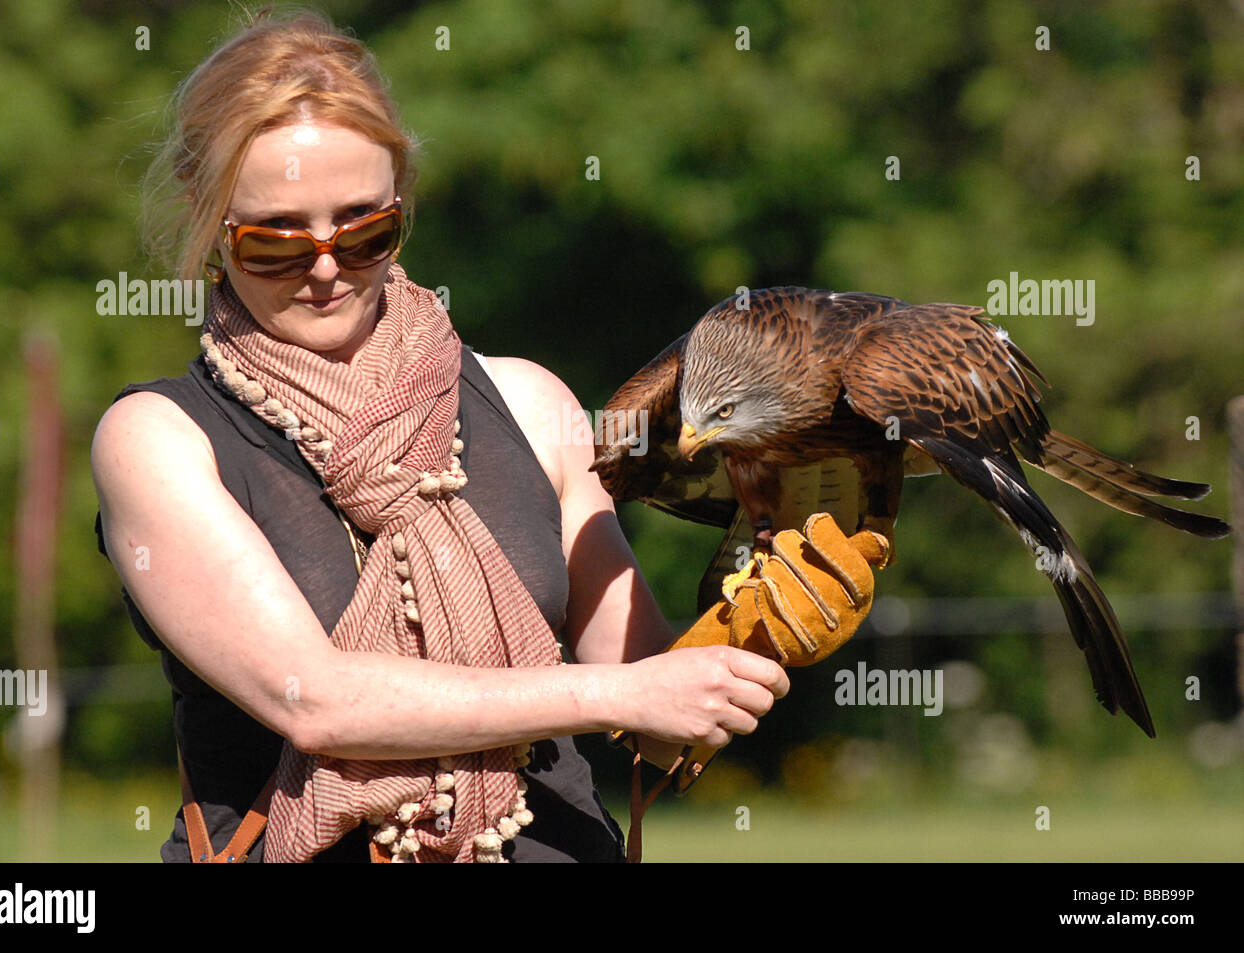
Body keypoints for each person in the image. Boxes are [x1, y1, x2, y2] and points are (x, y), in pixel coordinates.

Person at [92, 10, 798, 863]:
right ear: (209, 227)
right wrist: (616, 692)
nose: (326, 266)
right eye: (276, 241)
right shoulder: (158, 438)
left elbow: (659, 715)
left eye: (364, 230)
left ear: (403, 208)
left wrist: (767, 605)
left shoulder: (531, 403)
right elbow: (316, 700)